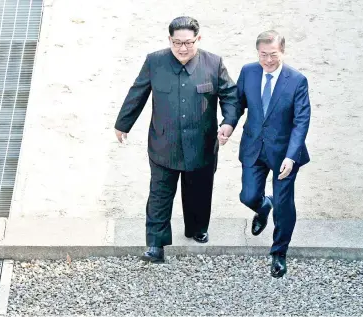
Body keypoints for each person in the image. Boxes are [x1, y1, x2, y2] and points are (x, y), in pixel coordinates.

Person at [114, 16, 238, 263]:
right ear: (169, 40)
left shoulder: (214, 63)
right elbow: (138, 92)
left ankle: (197, 228)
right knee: (159, 195)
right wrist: (123, 123)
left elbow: (231, 96)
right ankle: (155, 245)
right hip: (163, 144)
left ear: (198, 39)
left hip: (201, 145)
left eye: (188, 43)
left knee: (199, 193)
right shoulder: (155, 61)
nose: (183, 48)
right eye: (177, 42)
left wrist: (228, 123)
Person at [219, 30, 311, 278]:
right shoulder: (249, 71)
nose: (268, 60)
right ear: (257, 52)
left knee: (283, 205)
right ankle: (262, 206)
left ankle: (278, 253)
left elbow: (301, 121)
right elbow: (238, 103)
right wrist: (228, 124)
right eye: (263, 55)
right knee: (248, 195)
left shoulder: (297, 80)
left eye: (273, 55)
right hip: (253, 147)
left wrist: (292, 156)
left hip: (284, 154)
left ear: (282, 51)